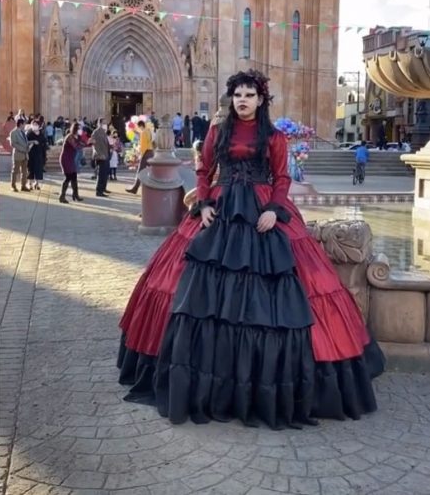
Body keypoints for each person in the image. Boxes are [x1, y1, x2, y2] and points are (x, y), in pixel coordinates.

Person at [118, 69, 384, 430]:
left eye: (249, 95)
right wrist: (206, 203)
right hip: (222, 208)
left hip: (262, 211)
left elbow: (282, 178)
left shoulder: (273, 137)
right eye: (238, 95)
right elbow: (204, 169)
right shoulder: (218, 131)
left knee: (287, 289)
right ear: (232, 99)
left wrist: (274, 210)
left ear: (261, 100)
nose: (243, 101)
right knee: (193, 289)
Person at [126, 120, 154, 195]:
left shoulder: (143, 132)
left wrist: (140, 154)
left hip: (145, 152)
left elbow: (143, 145)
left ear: (140, 126)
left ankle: (135, 188)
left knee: (140, 171)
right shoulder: (148, 131)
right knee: (151, 171)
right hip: (151, 152)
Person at [59, 122, 84, 203]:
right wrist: (85, 144)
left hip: (71, 159)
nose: (81, 130)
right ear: (75, 129)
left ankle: (75, 195)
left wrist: (88, 142)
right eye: (80, 128)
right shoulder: (70, 137)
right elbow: (76, 146)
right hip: (66, 159)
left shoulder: (77, 137)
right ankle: (62, 197)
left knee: (74, 176)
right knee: (68, 177)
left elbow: (82, 143)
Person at [90, 118, 111, 197]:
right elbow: (94, 144)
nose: (106, 124)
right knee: (101, 174)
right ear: (100, 123)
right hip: (100, 156)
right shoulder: (96, 132)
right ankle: (99, 191)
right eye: (104, 123)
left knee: (105, 173)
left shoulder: (103, 132)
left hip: (106, 155)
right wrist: (98, 153)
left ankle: (103, 188)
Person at [9, 119, 30, 192]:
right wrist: (23, 149)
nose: (25, 125)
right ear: (21, 124)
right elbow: (13, 144)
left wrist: (31, 143)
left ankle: (23, 185)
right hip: (18, 154)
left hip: (25, 155)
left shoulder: (23, 132)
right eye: (24, 124)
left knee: (24, 171)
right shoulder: (13, 132)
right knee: (15, 171)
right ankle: (13, 186)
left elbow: (25, 142)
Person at [26, 121, 46, 190]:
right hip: (31, 155)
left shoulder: (41, 134)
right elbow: (26, 143)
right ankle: (30, 184)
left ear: (38, 125)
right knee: (30, 169)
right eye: (33, 124)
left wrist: (44, 155)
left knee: (38, 170)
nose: (35, 126)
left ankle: (37, 183)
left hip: (39, 154)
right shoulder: (29, 134)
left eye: (36, 124)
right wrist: (33, 142)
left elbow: (44, 143)